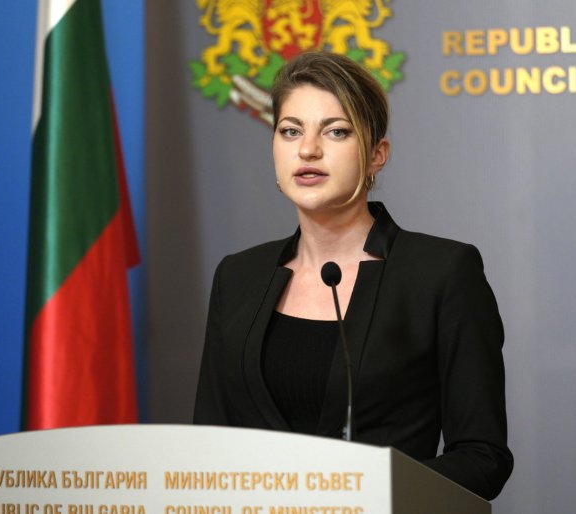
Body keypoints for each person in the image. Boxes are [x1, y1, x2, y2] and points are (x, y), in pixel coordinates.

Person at [193, 51, 513, 500]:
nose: (308, 149)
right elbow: (208, 447)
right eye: (290, 131)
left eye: (336, 131)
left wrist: (361, 496)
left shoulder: (441, 274)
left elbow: (482, 457)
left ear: (377, 155)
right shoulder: (238, 276)